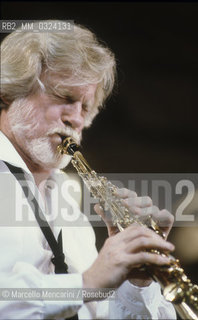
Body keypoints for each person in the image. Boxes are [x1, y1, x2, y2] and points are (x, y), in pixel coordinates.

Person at [0, 20, 176, 319]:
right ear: (9, 92)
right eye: (65, 98)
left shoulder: (71, 208)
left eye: (86, 107)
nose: (76, 119)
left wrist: (136, 280)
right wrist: (87, 283)